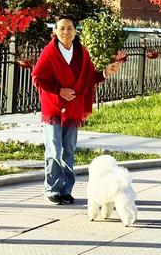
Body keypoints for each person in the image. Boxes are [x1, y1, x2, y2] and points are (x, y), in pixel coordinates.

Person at [31, 14, 121, 205]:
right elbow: (37, 78)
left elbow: (88, 78)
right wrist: (59, 91)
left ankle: (66, 190)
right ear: (55, 31)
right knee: (54, 150)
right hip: (54, 108)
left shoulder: (82, 53)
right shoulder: (49, 52)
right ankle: (52, 189)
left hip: (72, 109)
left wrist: (105, 72)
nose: (66, 32)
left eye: (70, 28)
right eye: (62, 28)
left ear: (75, 31)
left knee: (69, 150)